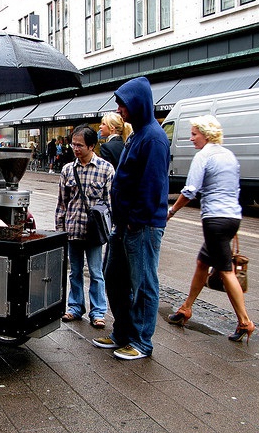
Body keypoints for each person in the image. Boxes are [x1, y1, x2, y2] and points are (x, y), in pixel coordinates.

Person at [92, 76, 170, 360]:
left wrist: (135, 221)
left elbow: (152, 186)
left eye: (123, 105)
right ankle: (122, 332)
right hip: (124, 224)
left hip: (141, 225)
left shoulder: (153, 138)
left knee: (143, 283)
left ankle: (141, 342)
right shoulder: (137, 134)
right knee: (114, 277)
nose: (119, 110)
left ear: (137, 104)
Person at [167, 115, 254, 343]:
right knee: (202, 262)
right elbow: (235, 189)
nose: (191, 138)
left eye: (194, 134)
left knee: (225, 271)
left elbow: (190, 190)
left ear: (206, 134)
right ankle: (186, 308)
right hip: (232, 217)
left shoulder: (203, 156)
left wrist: (171, 211)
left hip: (214, 219)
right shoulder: (229, 155)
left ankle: (245, 321)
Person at [55, 125, 114, 328]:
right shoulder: (67, 170)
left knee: (96, 272)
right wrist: (60, 230)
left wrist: (109, 229)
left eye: (80, 145)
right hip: (73, 229)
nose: (75, 148)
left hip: (94, 232)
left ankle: (98, 312)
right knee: (75, 271)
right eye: (73, 144)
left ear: (91, 145)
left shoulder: (105, 169)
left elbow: (109, 204)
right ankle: (75, 307)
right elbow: (62, 204)